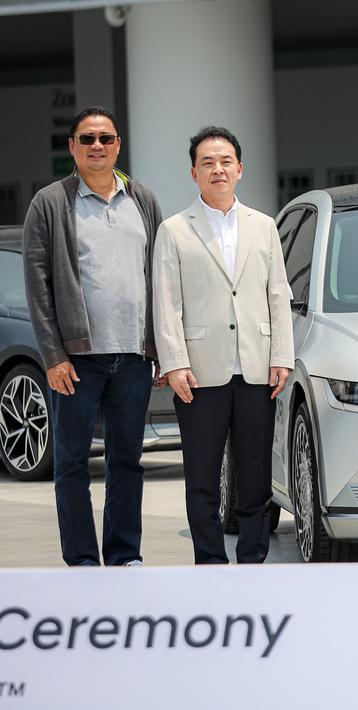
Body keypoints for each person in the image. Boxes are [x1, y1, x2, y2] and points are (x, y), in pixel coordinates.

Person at [23, 107, 163, 567]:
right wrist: (53, 356)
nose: (97, 146)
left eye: (105, 138)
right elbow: (38, 285)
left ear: (118, 145)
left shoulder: (142, 199)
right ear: (72, 148)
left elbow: (161, 278)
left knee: (128, 463)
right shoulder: (49, 202)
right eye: (87, 139)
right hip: (76, 362)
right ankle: (82, 561)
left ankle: (124, 555)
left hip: (132, 357)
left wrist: (160, 349)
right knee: (72, 465)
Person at [151, 126, 293, 564]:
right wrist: (174, 363)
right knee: (202, 478)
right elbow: (166, 301)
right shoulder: (174, 230)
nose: (218, 169)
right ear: (194, 172)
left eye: (225, 161)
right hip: (199, 372)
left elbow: (277, 294)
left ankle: (253, 560)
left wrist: (282, 356)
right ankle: (209, 563)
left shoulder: (264, 226)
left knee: (254, 475)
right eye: (208, 162)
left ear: (240, 169)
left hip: (256, 368)